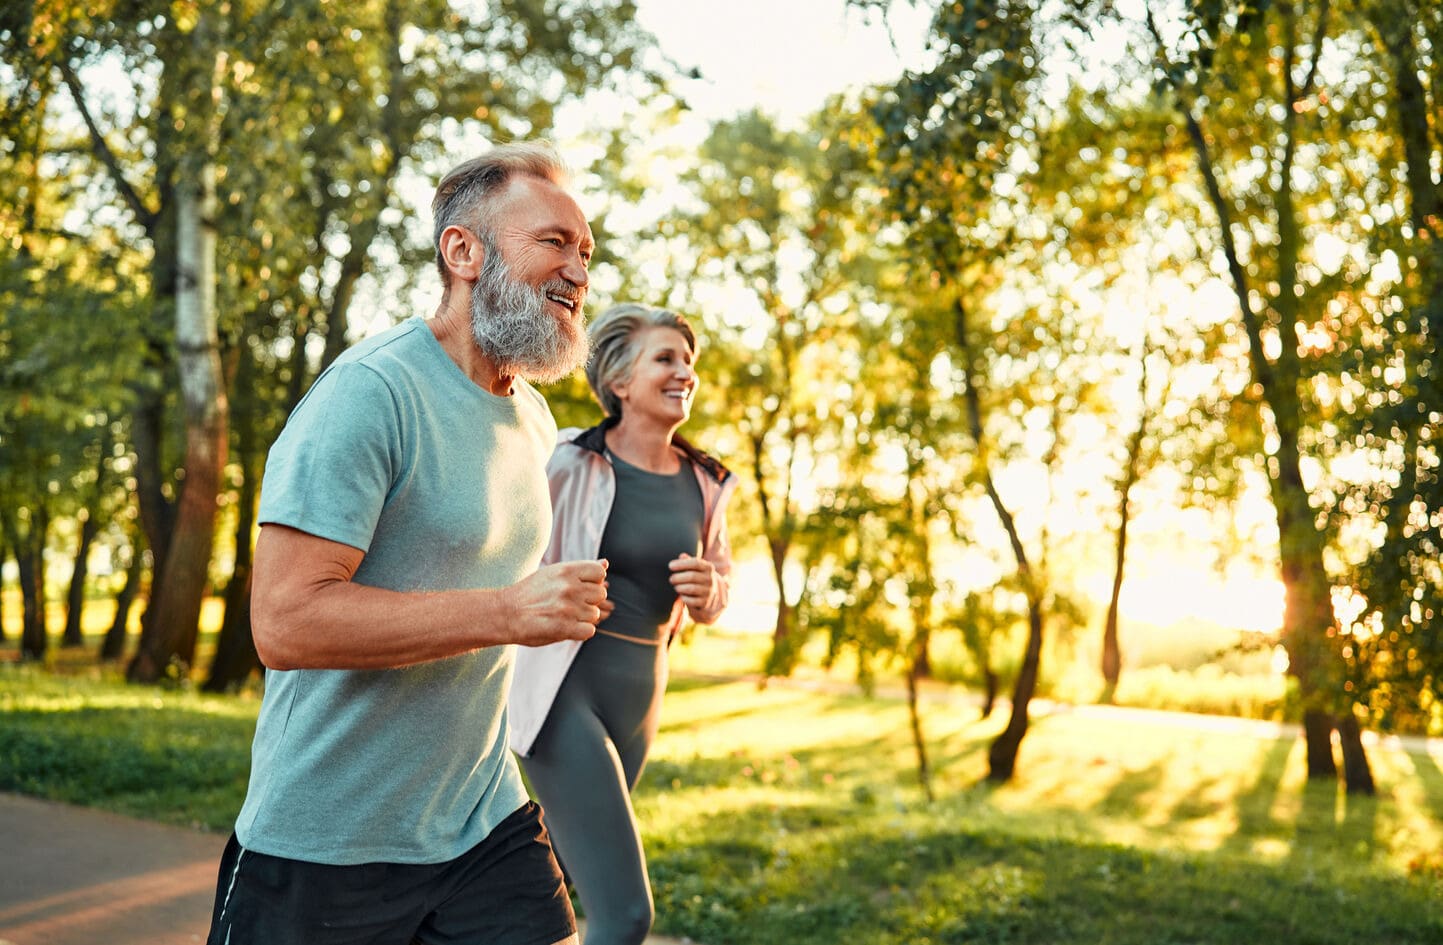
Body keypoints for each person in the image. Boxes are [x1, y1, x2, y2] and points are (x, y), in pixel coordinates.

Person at [206, 142, 609, 945]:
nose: (578, 271)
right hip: (327, 836)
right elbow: (285, 623)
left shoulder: (529, 418)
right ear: (462, 251)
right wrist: (504, 611)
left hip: (479, 816)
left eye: (587, 252)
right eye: (553, 242)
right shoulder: (371, 393)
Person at [508, 303, 738, 945]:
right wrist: (555, 592)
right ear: (619, 382)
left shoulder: (707, 481)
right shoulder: (565, 460)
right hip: (564, 690)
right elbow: (508, 556)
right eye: (665, 358)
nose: (684, 372)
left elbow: (721, 585)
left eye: (688, 361)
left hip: (641, 693)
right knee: (626, 914)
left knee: (552, 881)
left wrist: (710, 589)